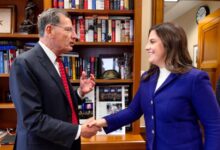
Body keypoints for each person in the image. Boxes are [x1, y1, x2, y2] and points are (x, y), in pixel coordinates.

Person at [89, 22, 220, 150]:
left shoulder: (195, 78)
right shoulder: (147, 78)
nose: (146, 47)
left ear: (169, 43)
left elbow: (214, 125)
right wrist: (102, 121)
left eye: (152, 42)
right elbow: (133, 111)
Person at [10, 8, 100, 150]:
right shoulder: (24, 63)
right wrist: (78, 131)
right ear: (49, 30)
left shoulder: (57, 62)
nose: (75, 36)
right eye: (69, 30)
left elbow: (57, 105)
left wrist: (80, 93)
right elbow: (33, 119)